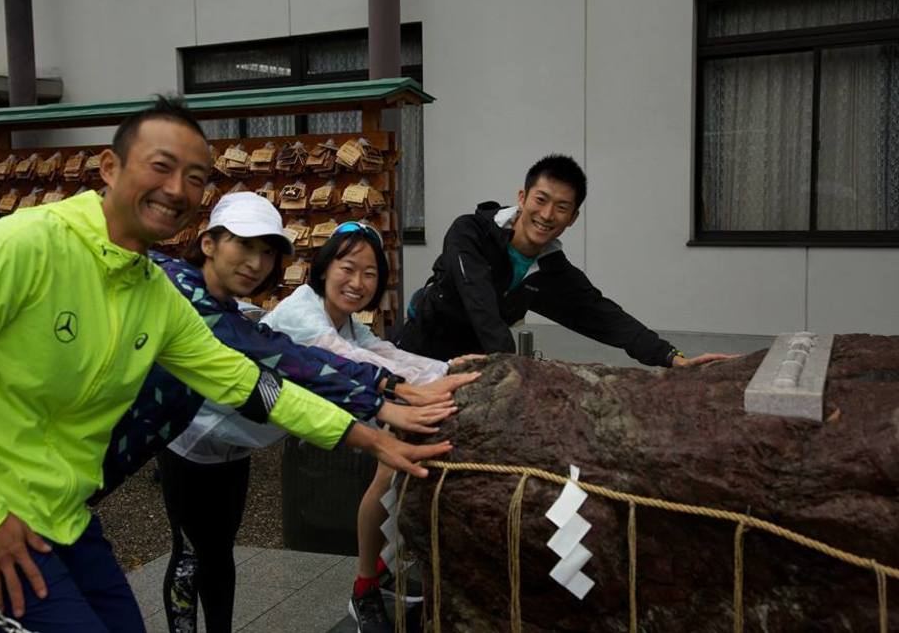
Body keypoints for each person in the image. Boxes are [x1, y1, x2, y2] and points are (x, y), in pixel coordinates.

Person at [0, 97, 450, 633]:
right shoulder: (20, 244)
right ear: (110, 167)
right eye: (161, 166)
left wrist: (373, 439)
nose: (176, 189)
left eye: (195, 177)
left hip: (62, 512)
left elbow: (249, 382)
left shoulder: (155, 290)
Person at [95, 191, 476, 633]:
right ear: (208, 243)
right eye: (244, 245)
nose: (256, 262)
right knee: (191, 554)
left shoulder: (255, 312)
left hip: (232, 446)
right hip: (190, 442)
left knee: (218, 551)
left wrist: (441, 373)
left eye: (266, 251)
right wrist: (395, 393)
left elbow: (371, 354)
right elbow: (299, 362)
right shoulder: (192, 294)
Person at [262, 222, 462, 633]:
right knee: (204, 560)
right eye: (348, 267)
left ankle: (375, 573)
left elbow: (381, 350)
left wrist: (449, 369)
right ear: (323, 266)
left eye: (370, 274)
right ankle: (366, 587)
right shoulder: (304, 312)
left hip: (267, 426)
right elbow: (350, 361)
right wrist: (428, 383)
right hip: (209, 438)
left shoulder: (347, 320)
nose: (357, 283)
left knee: (392, 465)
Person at [396, 153, 734, 367]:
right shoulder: (470, 232)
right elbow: (478, 298)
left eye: (561, 207)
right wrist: (516, 368)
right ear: (522, 197)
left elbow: (601, 315)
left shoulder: (552, 271)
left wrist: (670, 357)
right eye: (540, 200)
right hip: (419, 350)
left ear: (573, 217)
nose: (546, 214)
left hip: (475, 367)